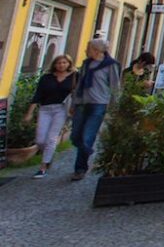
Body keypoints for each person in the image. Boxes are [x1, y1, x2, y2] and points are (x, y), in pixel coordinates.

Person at [70, 38, 122, 181]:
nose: (86, 50)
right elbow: (80, 84)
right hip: (82, 103)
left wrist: (115, 108)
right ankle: (86, 152)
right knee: (75, 136)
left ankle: (80, 168)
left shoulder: (111, 65)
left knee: (87, 136)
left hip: (99, 104)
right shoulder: (86, 64)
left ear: (97, 50)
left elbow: (115, 86)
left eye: (88, 48)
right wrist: (73, 104)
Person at [24, 55, 76, 178]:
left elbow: (80, 92)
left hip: (61, 109)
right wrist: (29, 113)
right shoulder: (46, 78)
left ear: (69, 64)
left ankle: (43, 167)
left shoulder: (74, 77)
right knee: (40, 140)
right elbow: (37, 95)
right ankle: (48, 156)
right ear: (54, 64)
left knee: (51, 138)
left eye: (64, 62)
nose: (61, 65)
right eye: (59, 63)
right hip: (45, 109)